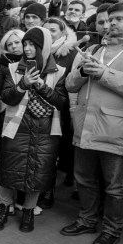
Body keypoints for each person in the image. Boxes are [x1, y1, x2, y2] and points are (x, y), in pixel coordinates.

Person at [60, 2, 123, 244]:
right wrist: (82, 71)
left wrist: (103, 73)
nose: (111, 24)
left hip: (115, 128)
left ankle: (112, 230)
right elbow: (70, 84)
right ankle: (87, 220)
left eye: (119, 19)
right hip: (85, 124)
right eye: (109, 19)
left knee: (115, 186)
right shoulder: (93, 48)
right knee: (84, 179)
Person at [0, 27, 68, 232]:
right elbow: (6, 97)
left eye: (31, 44)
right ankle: (3, 206)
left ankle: (28, 210)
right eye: (25, 44)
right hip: (17, 127)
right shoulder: (13, 68)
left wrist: (42, 86)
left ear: (43, 46)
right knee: (8, 169)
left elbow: (61, 102)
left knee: (38, 171)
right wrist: (22, 84)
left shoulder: (59, 71)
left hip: (45, 130)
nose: (26, 48)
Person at [0, 30, 25, 216]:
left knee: (25, 161)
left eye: (18, 42)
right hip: (5, 118)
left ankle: (23, 202)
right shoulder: (1, 66)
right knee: (6, 161)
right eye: (10, 44)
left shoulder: (35, 63)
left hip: (27, 119)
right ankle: (6, 202)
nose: (15, 46)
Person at [43, 16, 80, 204]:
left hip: (60, 109)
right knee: (43, 154)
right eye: (46, 30)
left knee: (53, 154)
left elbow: (73, 86)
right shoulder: (36, 50)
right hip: (38, 109)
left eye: (53, 30)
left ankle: (48, 192)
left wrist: (72, 114)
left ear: (62, 33)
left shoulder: (72, 53)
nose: (49, 34)